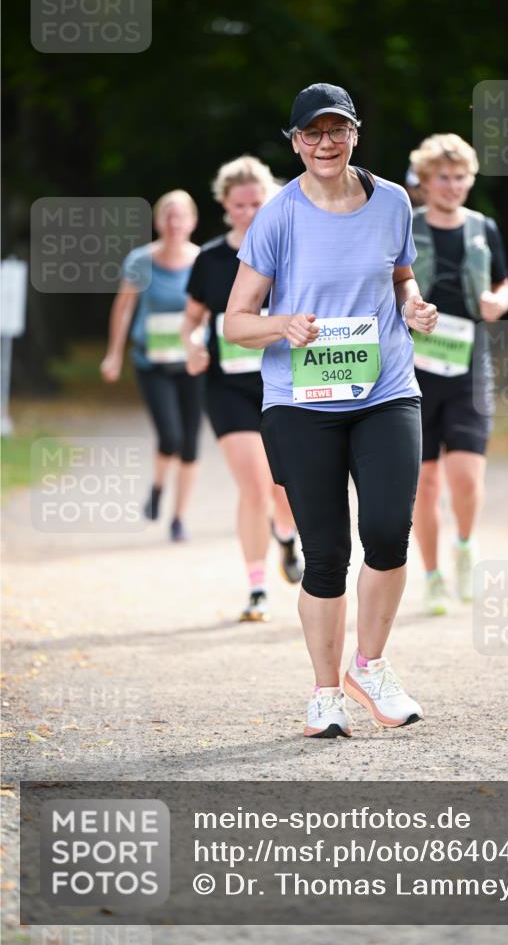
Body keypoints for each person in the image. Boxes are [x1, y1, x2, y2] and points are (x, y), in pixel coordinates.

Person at [224, 83, 438, 738]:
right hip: (301, 401)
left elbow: (400, 273)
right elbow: (236, 323)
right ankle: (324, 693)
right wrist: (282, 324)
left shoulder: (394, 202)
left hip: (384, 389)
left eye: (336, 131)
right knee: (324, 553)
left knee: (385, 531)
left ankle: (368, 666)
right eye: (311, 134)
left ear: (355, 134)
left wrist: (412, 304)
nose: (325, 143)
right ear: (294, 142)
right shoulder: (279, 216)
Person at [182, 156, 304, 623]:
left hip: (285, 380)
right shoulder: (210, 258)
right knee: (253, 485)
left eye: (258, 203)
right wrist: (193, 345)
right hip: (227, 388)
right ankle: (256, 590)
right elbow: (192, 320)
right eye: (239, 205)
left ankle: (287, 537)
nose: (249, 212)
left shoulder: (290, 250)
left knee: (283, 486)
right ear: (225, 205)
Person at [408, 134, 508, 613]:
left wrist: (498, 302)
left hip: (469, 364)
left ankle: (465, 549)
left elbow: (502, 281)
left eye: (460, 178)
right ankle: (431, 576)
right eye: (443, 178)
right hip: (413, 368)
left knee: (466, 478)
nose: (452, 186)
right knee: (424, 483)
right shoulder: (406, 228)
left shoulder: (482, 228)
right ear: (425, 182)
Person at [100, 190, 203, 542]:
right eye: (168, 216)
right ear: (159, 221)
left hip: (191, 362)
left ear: (192, 221)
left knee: (190, 444)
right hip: (152, 361)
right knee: (170, 437)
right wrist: (114, 353)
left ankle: (178, 518)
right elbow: (123, 307)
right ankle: (158, 488)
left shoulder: (202, 260)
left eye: (181, 216)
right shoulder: (140, 261)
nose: (175, 223)